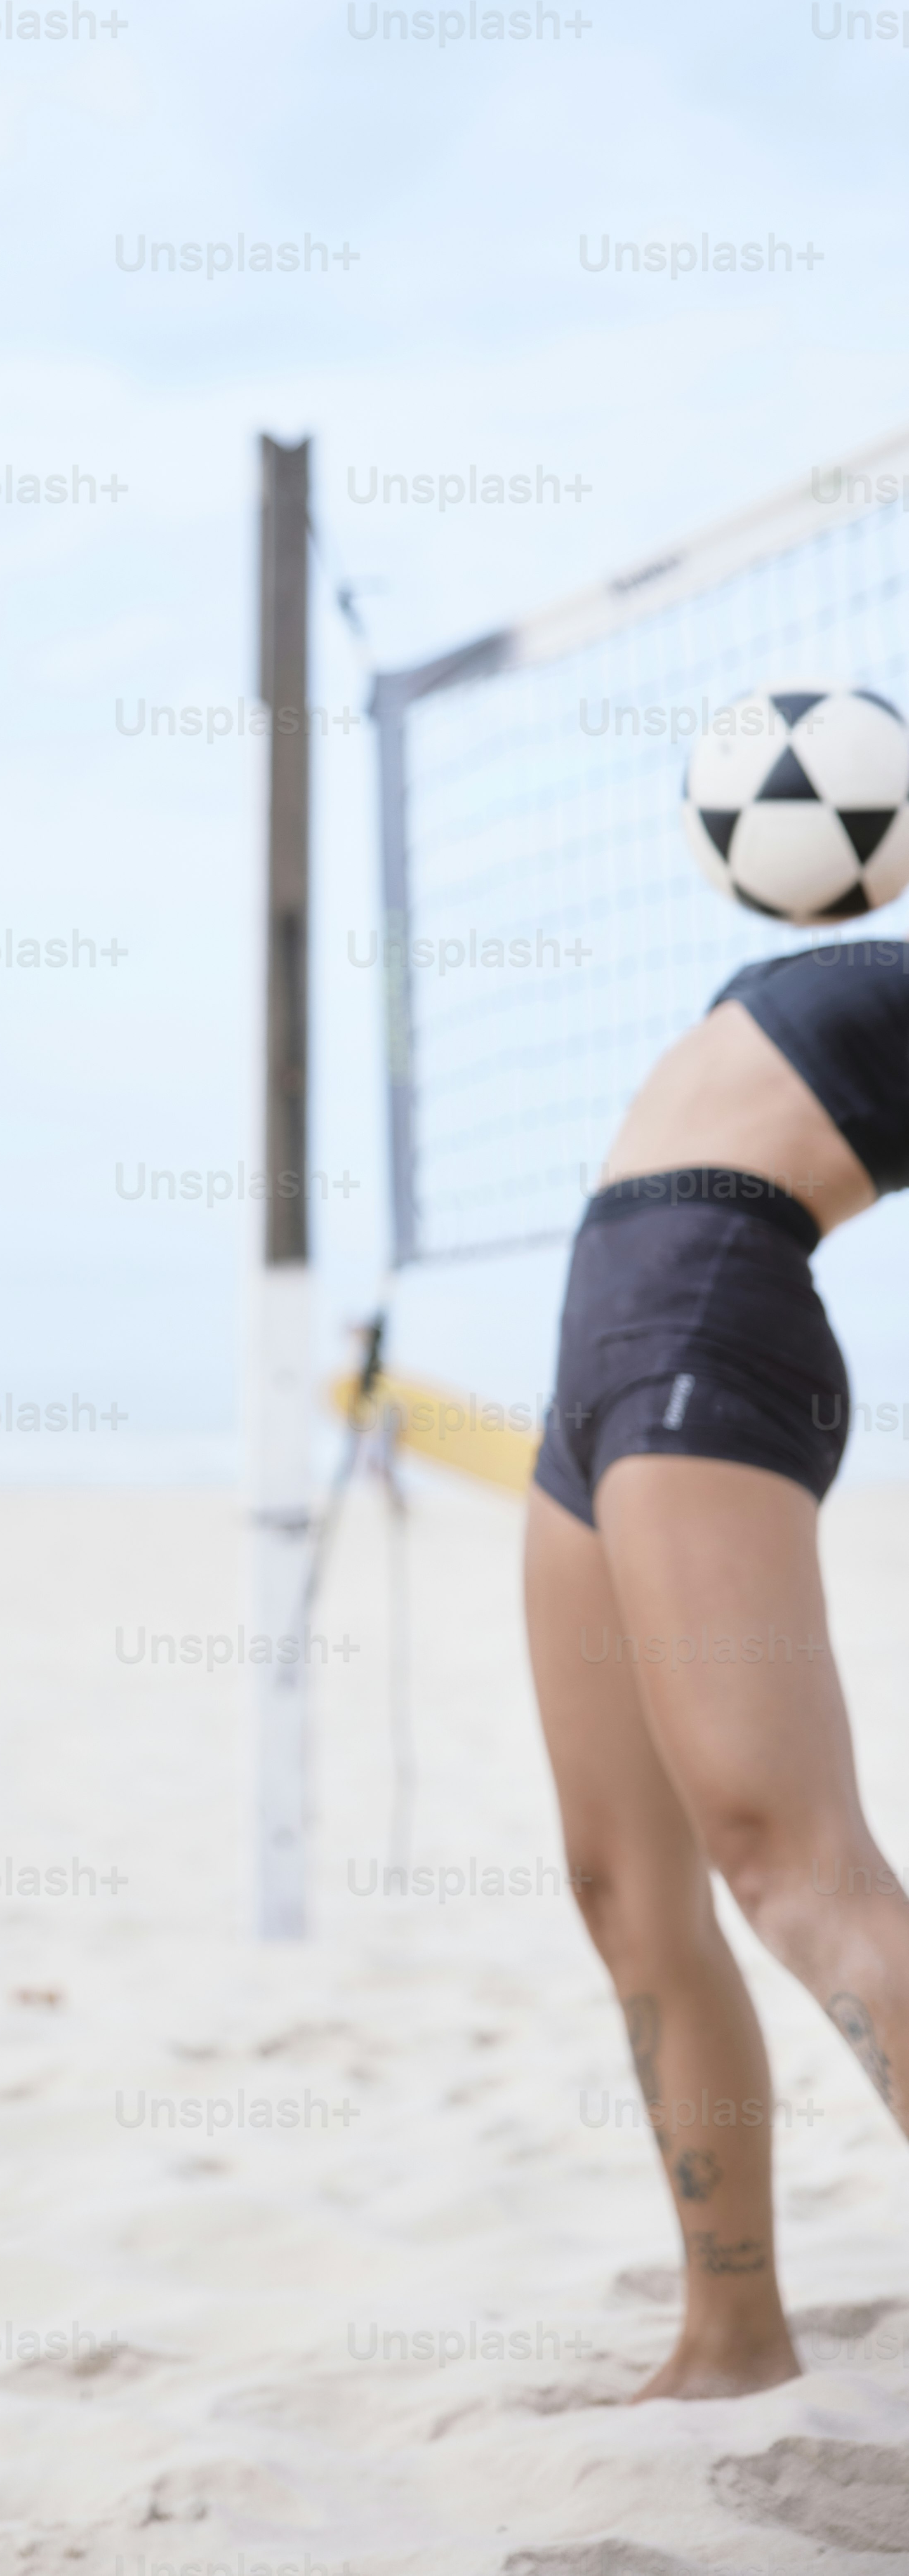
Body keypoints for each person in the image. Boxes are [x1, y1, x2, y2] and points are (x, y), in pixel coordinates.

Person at [525, 935, 909, 2398]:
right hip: (596, 1359)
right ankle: (731, 2335)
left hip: (709, 1315)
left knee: (789, 1866)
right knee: (621, 1884)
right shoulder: (806, 971)